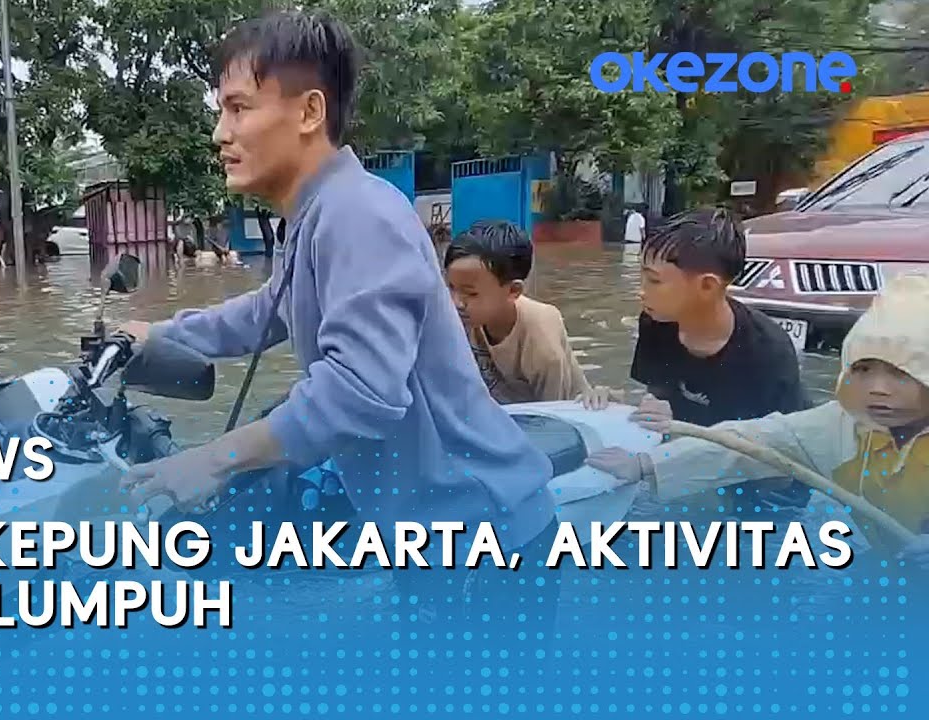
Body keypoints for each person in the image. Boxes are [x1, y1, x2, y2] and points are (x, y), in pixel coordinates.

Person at [118, 11, 557, 615]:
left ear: (308, 112)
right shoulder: (312, 218)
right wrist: (157, 333)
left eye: (239, 108)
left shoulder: (358, 214)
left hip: (481, 539)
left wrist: (212, 459)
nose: (221, 132)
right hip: (430, 535)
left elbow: (360, 392)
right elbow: (263, 313)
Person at [588, 275, 929, 568]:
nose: (878, 390)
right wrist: (646, 464)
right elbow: (749, 443)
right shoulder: (842, 425)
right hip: (892, 563)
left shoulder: (768, 347)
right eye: (864, 369)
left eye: (901, 373)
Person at [586, 208, 810, 428]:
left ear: (707, 286)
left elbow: (774, 444)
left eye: (654, 281)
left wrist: (678, 423)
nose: (641, 291)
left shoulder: (768, 352)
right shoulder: (655, 321)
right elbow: (657, 398)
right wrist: (621, 407)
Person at [444, 219, 592, 403]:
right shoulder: (463, 319)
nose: (456, 302)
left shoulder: (542, 344)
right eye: (451, 288)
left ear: (513, 291)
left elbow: (553, 417)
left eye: (471, 293)